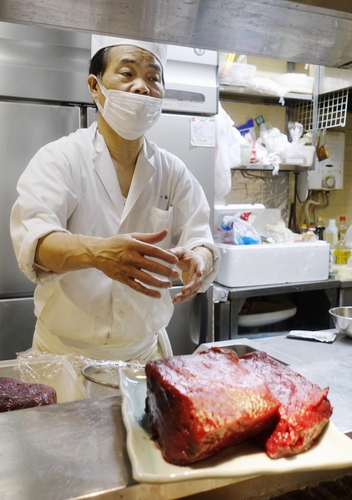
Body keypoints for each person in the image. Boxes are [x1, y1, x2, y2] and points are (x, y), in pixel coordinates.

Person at [10, 35, 220, 363]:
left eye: (153, 77)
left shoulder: (172, 171)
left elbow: (201, 238)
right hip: (67, 358)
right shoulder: (60, 159)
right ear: (95, 87)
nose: (142, 87)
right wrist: (99, 253)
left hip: (143, 355)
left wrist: (199, 259)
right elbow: (34, 245)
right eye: (127, 74)